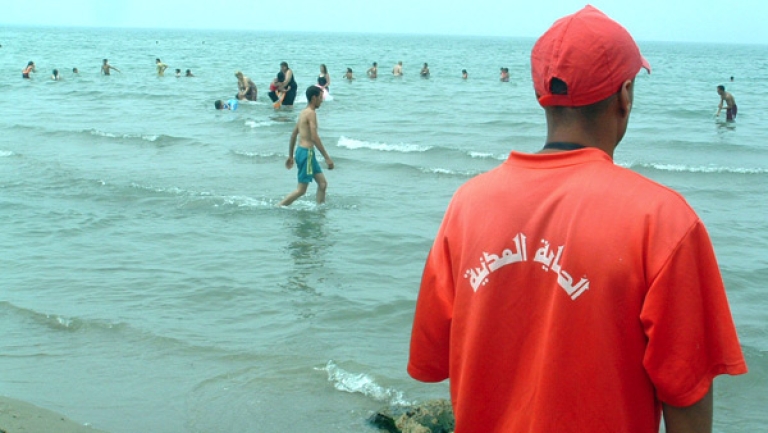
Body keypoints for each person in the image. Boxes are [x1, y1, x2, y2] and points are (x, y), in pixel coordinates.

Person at [407, 6, 747, 433]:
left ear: (542, 96)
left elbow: (434, 358)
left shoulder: (467, 206)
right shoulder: (663, 221)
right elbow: (688, 394)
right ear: (624, 96)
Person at [278, 86, 334, 206]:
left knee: (322, 184)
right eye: (320, 97)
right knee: (301, 190)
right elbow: (314, 137)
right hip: (307, 153)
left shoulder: (303, 112)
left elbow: (293, 135)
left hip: (302, 152)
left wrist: (291, 156)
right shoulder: (311, 113)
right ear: (314, 98)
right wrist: (327, 157)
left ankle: (320, 211)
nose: (322, 100)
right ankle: (278, 207)